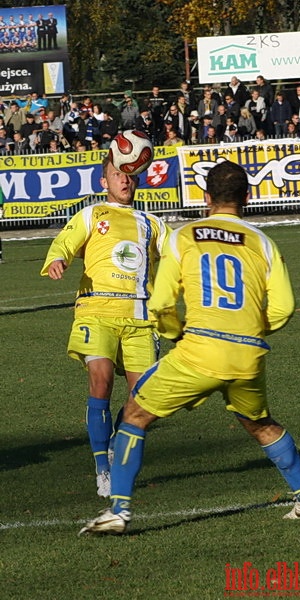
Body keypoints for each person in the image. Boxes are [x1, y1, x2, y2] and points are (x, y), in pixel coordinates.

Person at [80, 160, 300, 536]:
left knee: (134, 414)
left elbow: (162, 303)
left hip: (199, 350)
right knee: (259, 423)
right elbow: (284, 307)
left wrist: (174, 333)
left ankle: (118, 510)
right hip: (247, 354)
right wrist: (249, 328)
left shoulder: (185, 236)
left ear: (207, 197)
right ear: (246, 196)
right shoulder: (262, 241)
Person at [41, 155, 170, 499]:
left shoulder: (152, 222)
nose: (124, 181)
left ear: (137, 181)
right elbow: (66, 240)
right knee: (100, 379)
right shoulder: (92, 214)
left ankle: (115, 441)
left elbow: (179, 254)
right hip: (96, 309)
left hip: (141, 317)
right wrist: (58, 258)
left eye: (128, 175)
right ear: (104, 182)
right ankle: (103, 469)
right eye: (116, 175)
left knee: (141, 401)